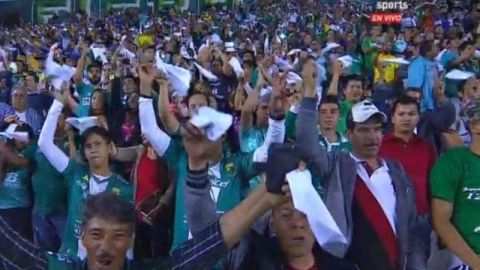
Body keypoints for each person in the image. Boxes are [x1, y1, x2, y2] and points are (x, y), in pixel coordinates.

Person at [138, 63, 286, 250]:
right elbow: (150, 131)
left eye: (208, 129)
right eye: (197, 128)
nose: (201, 135)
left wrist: (278, 117)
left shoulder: (237, 164)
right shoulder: (182, 157)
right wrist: (144, 88)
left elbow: (268, 152)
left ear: (222, 135)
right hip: (184, 259)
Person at [295, 61, 418, 270]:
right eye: (363, 130)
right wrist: (308, 96)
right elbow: (307, 147)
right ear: (349, 133)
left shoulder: (396, 171)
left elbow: (410, 222)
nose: (372, 136)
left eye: (376, 129)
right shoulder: (337, 165)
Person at [38, 83, 133, 258]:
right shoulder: (75, 173)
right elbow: (44, 143)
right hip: (72, 256)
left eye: (98, 144)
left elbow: (127, 239)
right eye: (88, 146)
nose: (93, 149)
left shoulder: (125, 189)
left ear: (109, 148)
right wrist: (59, 102)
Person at [379, 95, 437, 270]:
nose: (406, 118)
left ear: (418, 117)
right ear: (393, 118)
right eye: (401, 114)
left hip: (419, 218)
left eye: (411, 114)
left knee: (417, 266)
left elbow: (432, 185)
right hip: (388, 217)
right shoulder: (380, 145)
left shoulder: (427, 147)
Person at [430, 99, 480, 270]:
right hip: (462, 260)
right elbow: (441, 221)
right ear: (474, 126)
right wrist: (476, 263)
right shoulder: (452, 163)